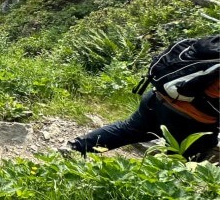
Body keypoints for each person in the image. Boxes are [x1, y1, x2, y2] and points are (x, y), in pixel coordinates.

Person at [60, 36, 219, 161]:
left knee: (127, 130)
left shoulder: (213, 44)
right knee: (183, 160)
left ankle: (74, 148)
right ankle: (162, 189)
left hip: (157, 96)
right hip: (189, 120)